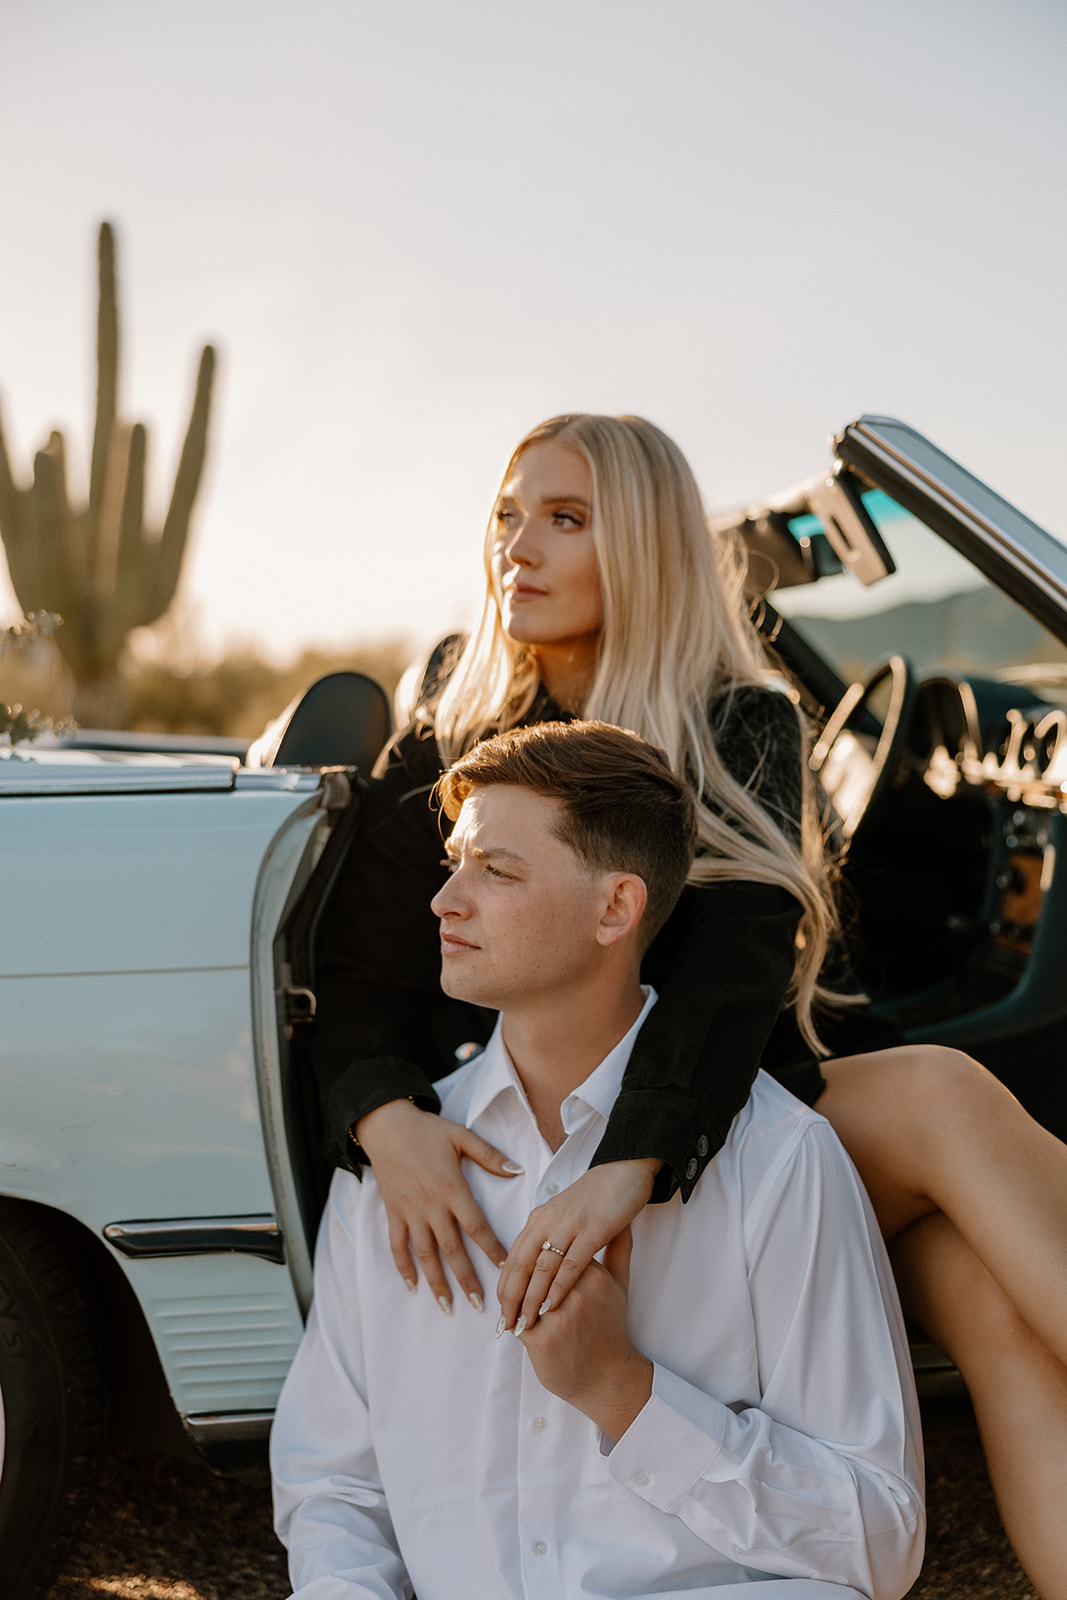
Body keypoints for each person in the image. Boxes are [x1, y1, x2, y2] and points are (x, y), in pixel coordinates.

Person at [311, 413, 1067, 1597]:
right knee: (954, 1162)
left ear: (650, 548)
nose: (520, 546)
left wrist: (635, 1155)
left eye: (566, 519)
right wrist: (381, 1118)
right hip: (538, 1121)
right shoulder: (447, 746)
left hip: (716, 1096)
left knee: (969, 1226)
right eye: (508, 516)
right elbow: (350, 977)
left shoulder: (734, 717)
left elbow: (738, 966)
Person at [273, 720, 925, 1600]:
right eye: (454, 865)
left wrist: (627, 1394)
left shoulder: (778, 1161)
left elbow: (878, 1540)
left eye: (496, 871)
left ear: (615, 909)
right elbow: (334, 1487)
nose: (444, 901)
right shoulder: (397, 1164)